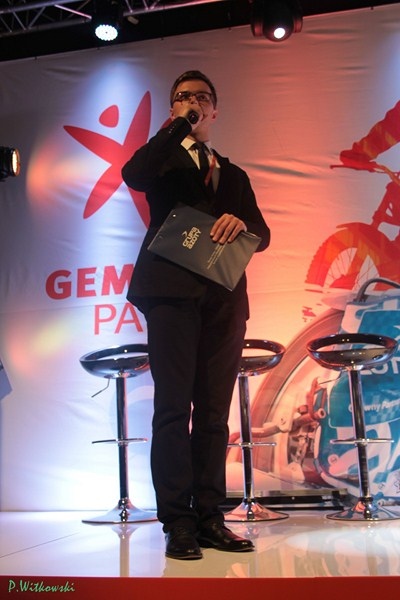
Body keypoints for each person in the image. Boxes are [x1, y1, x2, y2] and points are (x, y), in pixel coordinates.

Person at [121, 70, 270, 560]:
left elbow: (262, 234)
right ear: (173, 108)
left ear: (215, 110)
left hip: (223, 299)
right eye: (184, 97)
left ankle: (210, 518)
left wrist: (240, 222)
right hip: (170, 294)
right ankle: (177, 522)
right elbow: (133, 175)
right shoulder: (163, 159)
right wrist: (175, 128)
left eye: (202, 98)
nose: (194, 103)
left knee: (212, 414)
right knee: (172, 408)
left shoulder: (234, 173)